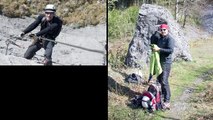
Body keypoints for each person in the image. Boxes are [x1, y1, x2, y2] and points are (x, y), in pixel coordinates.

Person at [150, 24, 174, 110]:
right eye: (161, 30)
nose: (163, 31)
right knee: (159, 80)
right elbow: (152, 41)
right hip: (159, 62)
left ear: (168, 30)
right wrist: (156, 32)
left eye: (164, 30)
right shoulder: (159, 38)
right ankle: (161, 96)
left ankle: (167, 100)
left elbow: (170, 50)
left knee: (164, 81)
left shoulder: (170, 39)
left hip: (166, 63)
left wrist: (159, 49)